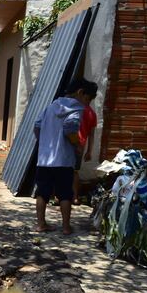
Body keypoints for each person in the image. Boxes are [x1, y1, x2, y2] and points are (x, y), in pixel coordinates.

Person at [33, 77, 97, 235]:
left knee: (42, 193)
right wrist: (77, 145)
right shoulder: (76, 108)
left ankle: (41, 224)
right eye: (87, 99)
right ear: (81, 93)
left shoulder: (52, 106)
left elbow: (37, 125)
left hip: (44, 159)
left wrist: (45, 141)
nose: (87, 104)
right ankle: (66, 227)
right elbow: (70, 128)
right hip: (63, 159)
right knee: (65, 194)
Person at [73, 103, 97, 204]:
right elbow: (91, 135)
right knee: (75, 171)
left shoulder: (73, 108)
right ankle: (75, 197)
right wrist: (89, 151)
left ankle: (58, 196)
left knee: (63, 170)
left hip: (68, 142)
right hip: (81, 145)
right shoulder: (92, 113)